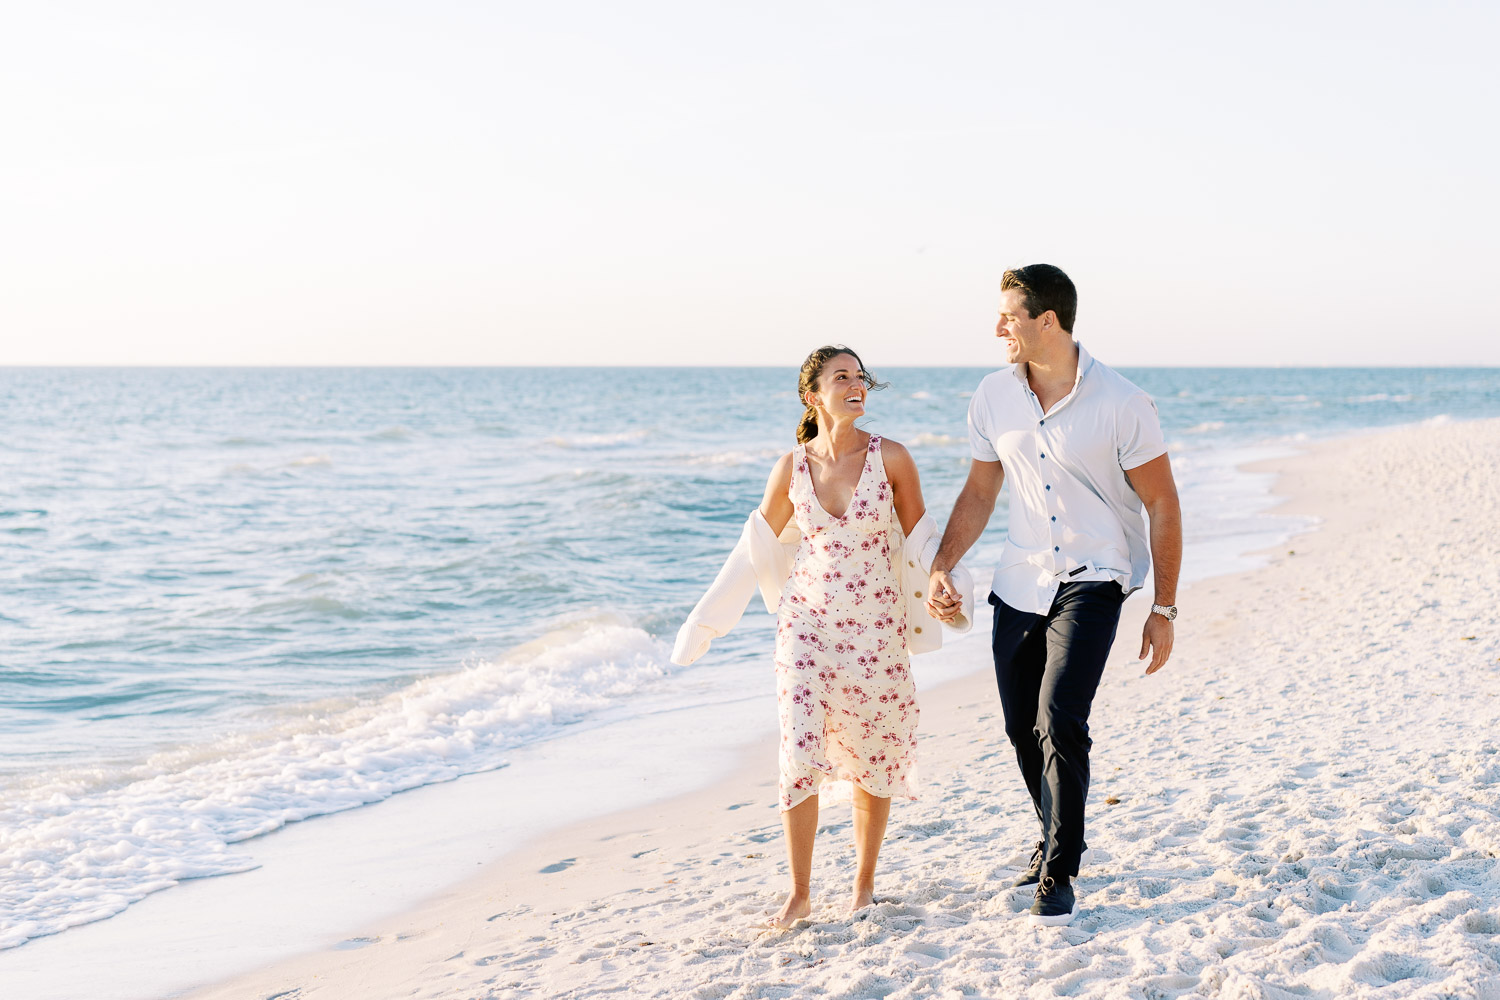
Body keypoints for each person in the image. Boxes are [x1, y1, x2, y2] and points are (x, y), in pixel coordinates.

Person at [672, 346, 974, 929]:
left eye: (861, 377)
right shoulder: (790, 468)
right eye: (843, 377)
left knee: (874, 752)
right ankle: (801, 893)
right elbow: (753, 549)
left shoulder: (893, 460)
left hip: (875, 631)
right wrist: (704, 622)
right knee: (800, 749)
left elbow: (923, 539)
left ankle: (862, 888)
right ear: (814, 394)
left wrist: (948, 582)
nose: (856, 385)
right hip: (804, 627)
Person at [926, 265, 1182, 927]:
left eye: (1009, 315)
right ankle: (1054, 829)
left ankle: (1060, 871)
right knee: (1021, 728)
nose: (997, 328)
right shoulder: (991, 396)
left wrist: (1165, 608)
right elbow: (981, 491)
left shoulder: (1122, 401)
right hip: (1020, 579)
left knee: (1060, 715)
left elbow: (1161, 502)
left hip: (1096, 576)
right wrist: (943, 565)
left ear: (1048, 320)